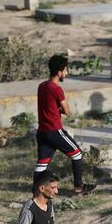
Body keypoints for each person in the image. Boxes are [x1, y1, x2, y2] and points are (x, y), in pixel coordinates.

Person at [35, 55, 95, 196]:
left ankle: (36, 191)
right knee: (77, 154)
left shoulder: (42, 86)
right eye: (65, 70)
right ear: (59, 72)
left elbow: (48, 105)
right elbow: (67, 110)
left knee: (42, 163)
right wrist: (61, 109)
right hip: (54, 130)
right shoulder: (56, 89)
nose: (66, 73)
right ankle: (79, 188)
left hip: (42, 131)